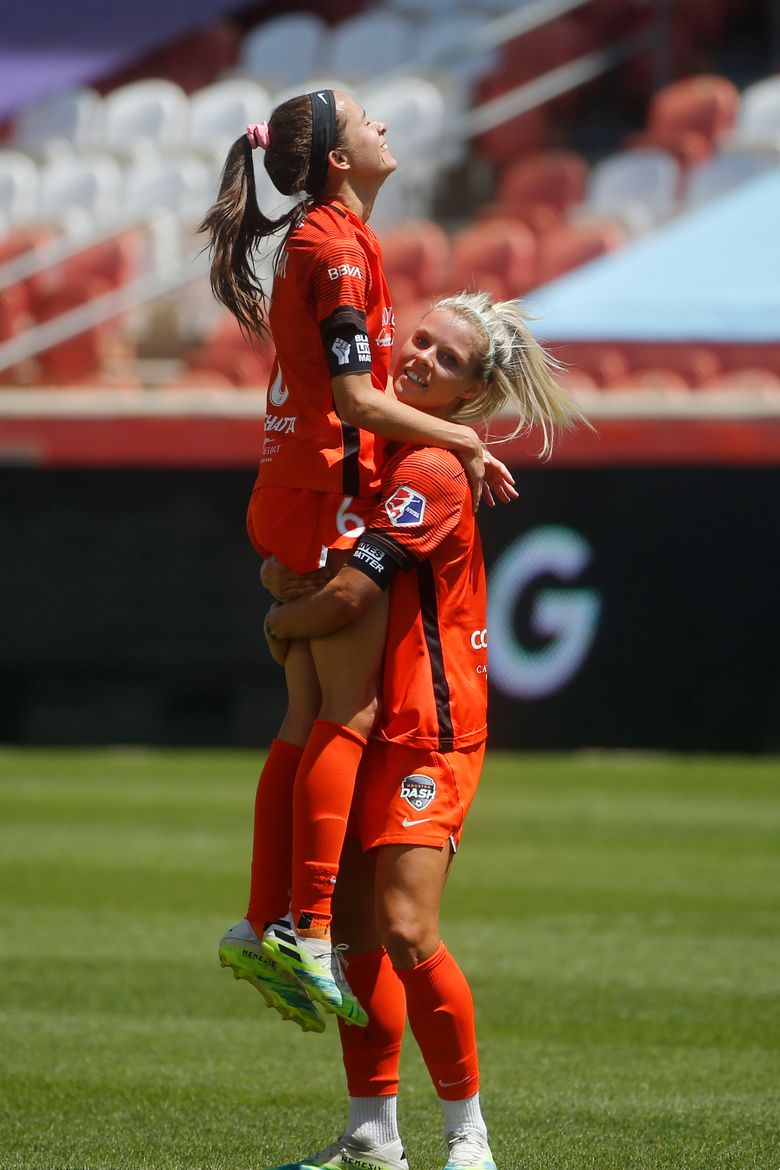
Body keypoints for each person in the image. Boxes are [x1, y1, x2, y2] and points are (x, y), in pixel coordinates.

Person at [199, 89, 512, 1031]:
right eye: (367, 118)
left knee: (304, 712)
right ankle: (303, 925)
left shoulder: (336, 240)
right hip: (322, 484)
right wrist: (463, 443)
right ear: (338, 158)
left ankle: (265, 922)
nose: (384, 126)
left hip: (294, 485)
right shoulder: (336, 250)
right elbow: (356, 402)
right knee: (352, 708)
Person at [259, 292, 587, 1170]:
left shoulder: (435, 472)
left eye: (445, 360)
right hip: (372, 721)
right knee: (363, 936)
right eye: (421, 340)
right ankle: (372, 1136)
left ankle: (469, 1134)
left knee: (407, 928)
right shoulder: (393, 445)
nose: (417, 360)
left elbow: (357, 594)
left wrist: (282, 623)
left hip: (429, 732)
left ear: (474, 394)